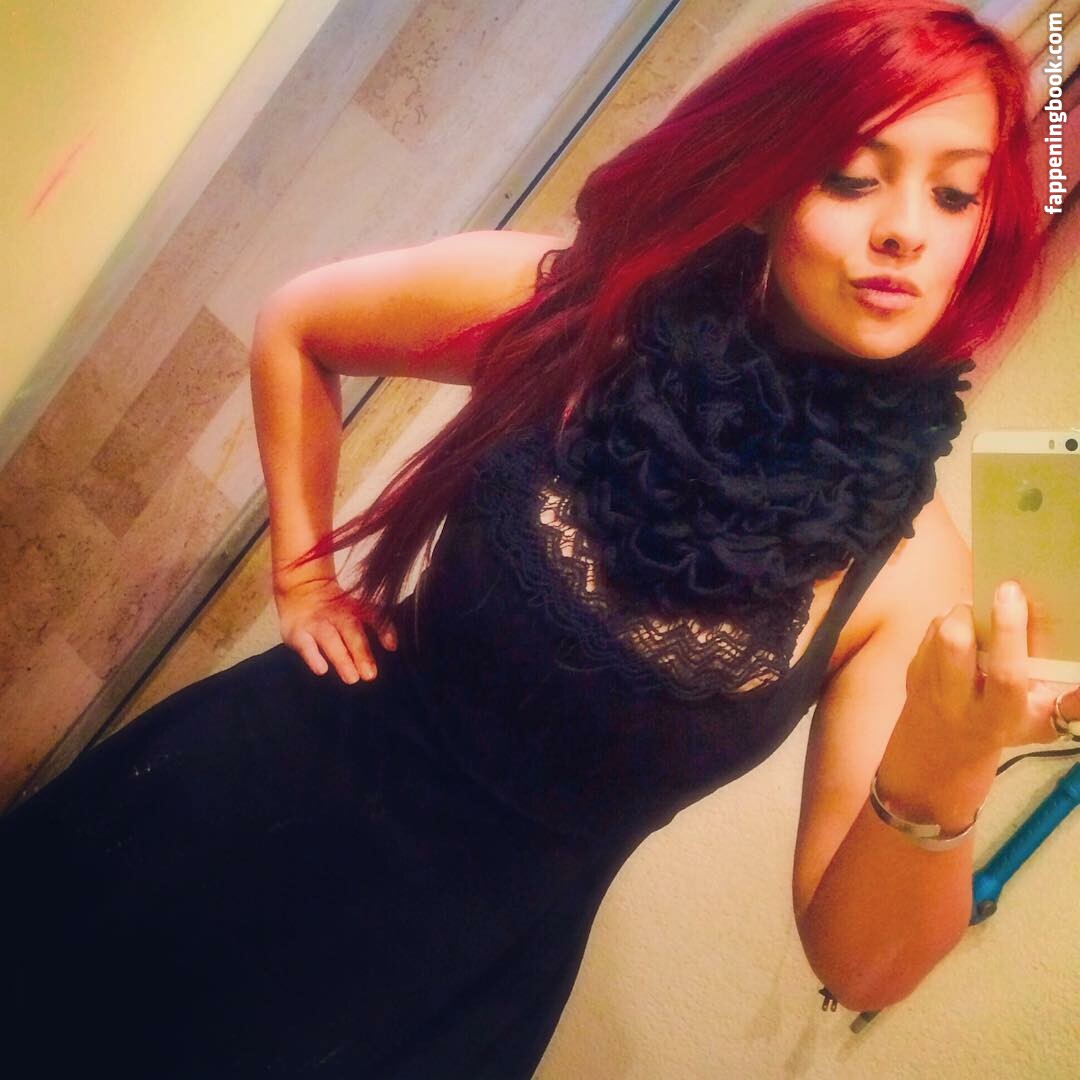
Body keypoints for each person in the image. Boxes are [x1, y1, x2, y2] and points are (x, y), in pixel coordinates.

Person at [3, 0, 1077, 1075]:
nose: (906, 230)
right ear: (764, 183)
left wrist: (951, 761)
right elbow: (302, 323)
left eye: (955, 194)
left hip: (433, 999)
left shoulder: (908, 569)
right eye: (851, 177)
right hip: (219, 817)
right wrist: (303, 576)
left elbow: (860, 970)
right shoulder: (589, 313)